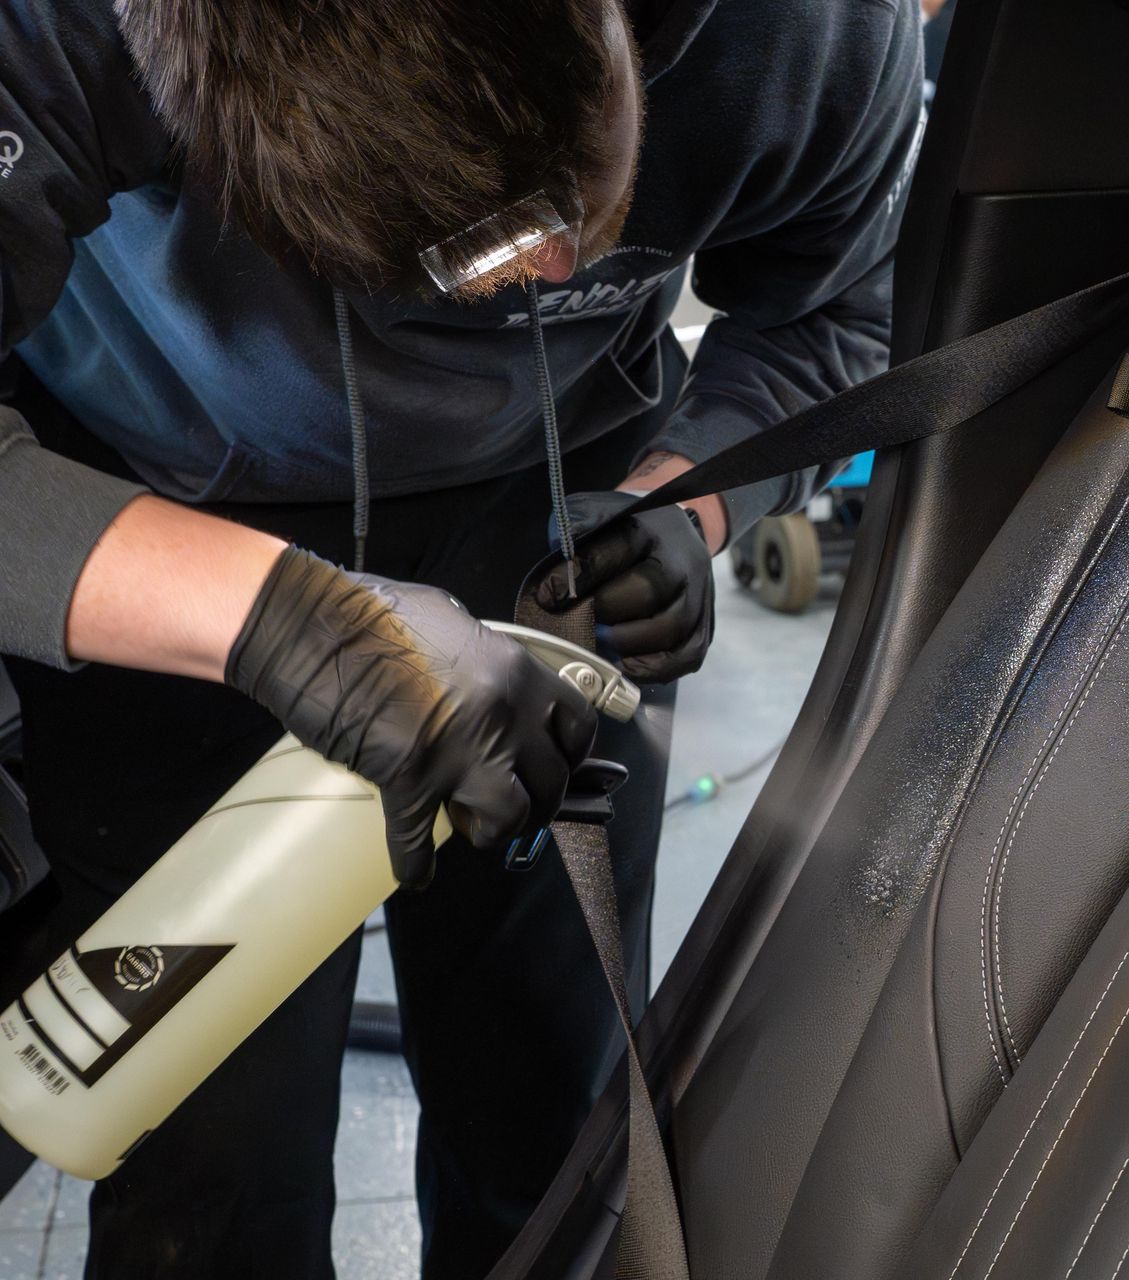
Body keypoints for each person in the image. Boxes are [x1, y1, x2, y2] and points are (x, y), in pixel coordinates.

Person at [0, 0, 923, 1274]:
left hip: (550, 537)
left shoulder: (803, 33)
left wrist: (689, 499)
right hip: (164, 537)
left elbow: (834, 313)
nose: (546, 284)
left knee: (550, 1105)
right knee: (212, 1164)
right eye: (472, 258)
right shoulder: (68, 30)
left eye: (571, 227)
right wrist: (279, 620)